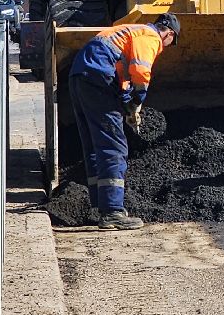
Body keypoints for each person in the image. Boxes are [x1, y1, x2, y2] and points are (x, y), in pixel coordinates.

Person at [68, 13, 181, 230]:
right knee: (114, 146)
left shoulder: (126, 33)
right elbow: (140, 70)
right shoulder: (150, 35)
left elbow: (120, 73)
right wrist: (138, 99)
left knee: (94, 145)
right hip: (98, 73)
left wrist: (127, 103)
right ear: (169, 33)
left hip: (81, 75)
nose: (167, 47)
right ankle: (112, 212)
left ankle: (99, 206)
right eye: (171, 42)